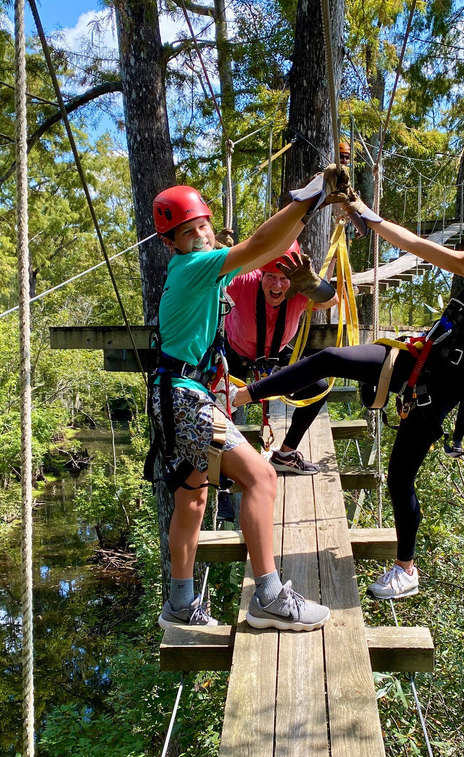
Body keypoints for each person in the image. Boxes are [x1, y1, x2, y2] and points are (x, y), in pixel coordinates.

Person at [232, 186, 464, 600]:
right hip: (419, 357)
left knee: (399, 477)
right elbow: (414, 243)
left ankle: (406, 569)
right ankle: (240, 397)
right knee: (331, 358)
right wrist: (364, 212)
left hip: (446, 385)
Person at [148, 174, 344, 631]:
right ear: (172, 243)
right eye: (187, 232)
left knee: (192, 499)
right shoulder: (196, 267)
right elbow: (260, 242)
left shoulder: (197, 270)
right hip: (184, 400)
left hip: (174, 395)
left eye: (203, 226)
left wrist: (303, 215)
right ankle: (270, 597)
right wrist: (309, 199)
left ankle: (179, 603)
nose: (199, 236)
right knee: (261, 479)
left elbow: (268, 249)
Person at [222, 240, 339, 475]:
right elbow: (212, 278)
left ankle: (285, 454)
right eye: (270, 277)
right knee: (221, 409)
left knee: (317, 387)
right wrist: (223, 256)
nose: (277, 285)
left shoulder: (299, 289)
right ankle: (224, 470)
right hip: (236, 352)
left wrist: (312, 283)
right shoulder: (244, 281)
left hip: (278, 353)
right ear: (260, 274)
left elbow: (331, 301)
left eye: (283, 279)